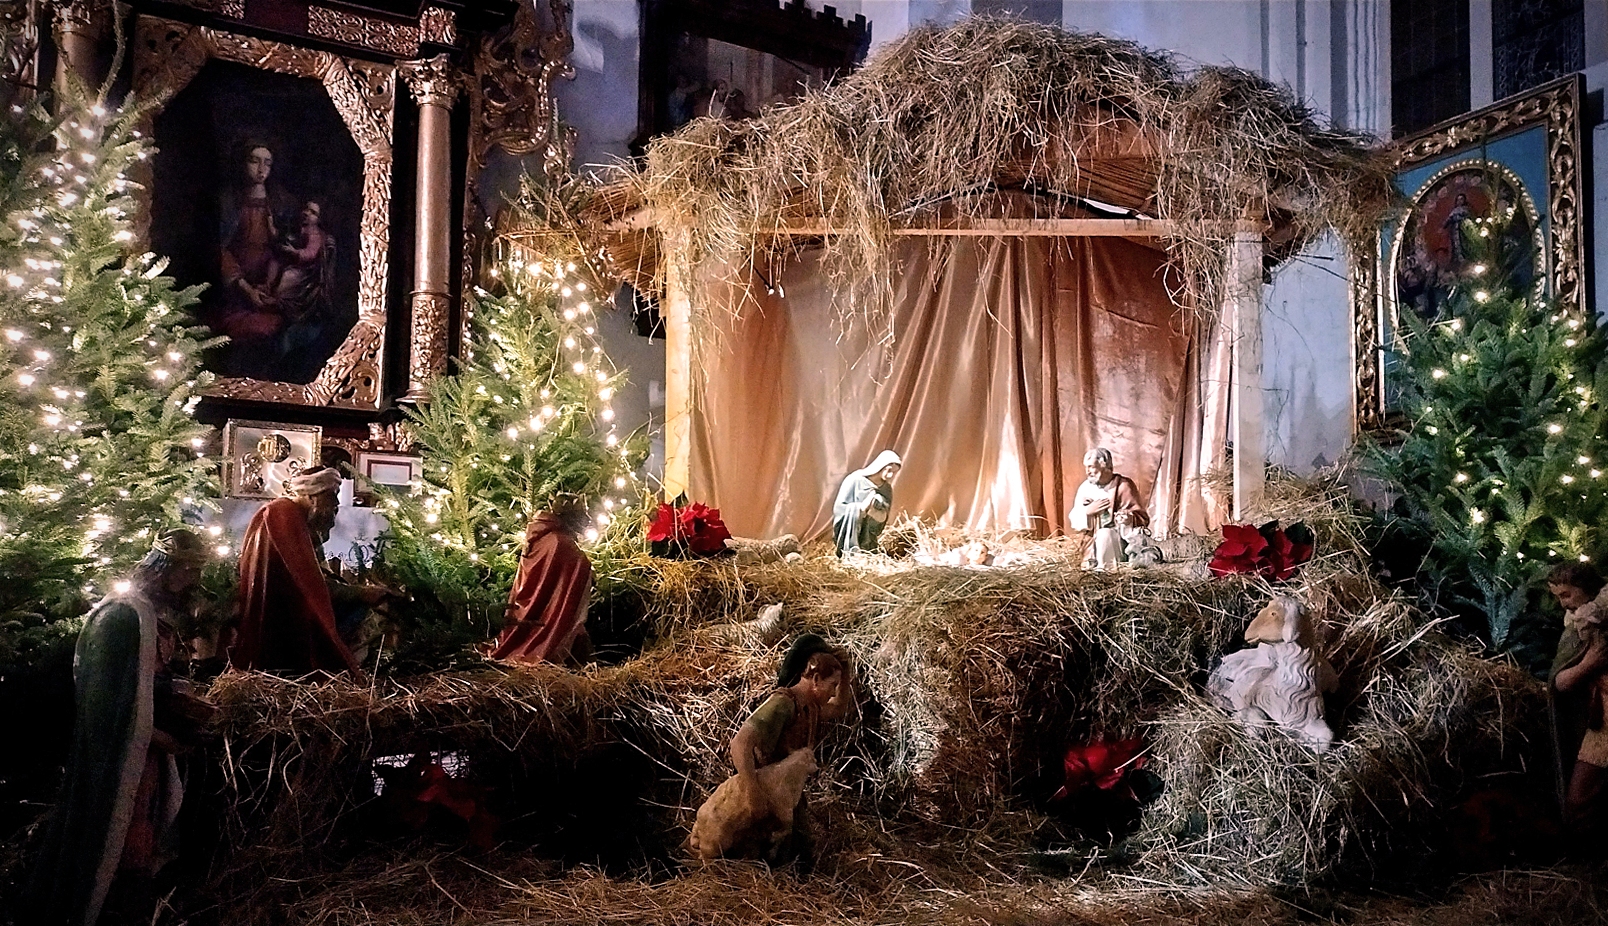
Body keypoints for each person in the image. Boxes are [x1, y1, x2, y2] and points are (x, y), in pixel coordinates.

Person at [25, 530, 214, 926]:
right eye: (189, 571)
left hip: (147, 750)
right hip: (124, 754)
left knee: (143, 838)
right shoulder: (124, 618)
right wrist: (159, 735)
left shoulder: (145, 615)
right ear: (165, 569)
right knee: (121, 839)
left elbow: (144, 683)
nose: (194, 582)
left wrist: (179, 697)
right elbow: (113, 702)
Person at [726, 634, 855, 869]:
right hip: (767, 791)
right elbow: (740, 744)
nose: (833, 692)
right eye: (832, 685)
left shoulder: (811, 707)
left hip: (787, 794)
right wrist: (752, 791)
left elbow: (838, 708)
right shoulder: (782, 704)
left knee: (800, 855)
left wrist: (844, 672)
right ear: (815, 679)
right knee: (761, 857)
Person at [228, 466, 367, 678]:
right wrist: (360, 593)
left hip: (293, 605)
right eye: (332, 497)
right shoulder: (283, 516)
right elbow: (306, 584)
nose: (337, 505)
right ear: (313, 497)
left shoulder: (302, 520)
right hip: (283, 615)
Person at [483, 496, 594, 665]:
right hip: (544, 619)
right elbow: (576, 569)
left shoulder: (542, 536)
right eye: (582, 515)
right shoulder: (560, 542)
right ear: (570, 517)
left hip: (527, 608)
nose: (587, 520)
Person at [1546, 562, 1608, 844]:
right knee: (1579, 799)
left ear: (1586, 590)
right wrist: (1589, 664)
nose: (1562, 604)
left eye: (1567, 595)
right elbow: (1561, 681)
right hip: (1602, 723)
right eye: (1558, 596)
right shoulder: (1577, 626)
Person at [1069, 447, 1153, 569]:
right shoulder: (1085, 487)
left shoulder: (1123, 486)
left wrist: (1127, 519)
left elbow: (1141, 517)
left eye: (1092, 467)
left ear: (1106, 467)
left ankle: (1106, 571)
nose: (1088, 471)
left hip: (1118, 540)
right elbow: (1074, 518)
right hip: (1091, 543)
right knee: (1100, 537)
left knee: (1104, 534)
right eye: (1086, 467)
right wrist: (1087, 512)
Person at [832, 450, 901, 556]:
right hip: (853, 530)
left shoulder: (886, 489)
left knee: (868, 549)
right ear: (880, 465)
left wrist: (877, 508)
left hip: (869, 533)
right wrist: (860, 509)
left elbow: (884, 515)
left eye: (894, 472)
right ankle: (852, 552)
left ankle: (865, 550)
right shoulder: (854, 479)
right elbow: (839, 507)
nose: (891, 475)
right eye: (889, 470)